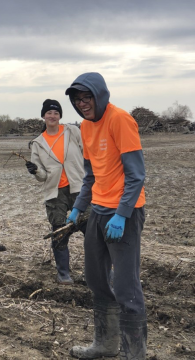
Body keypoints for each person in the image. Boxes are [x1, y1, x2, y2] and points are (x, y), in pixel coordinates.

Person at [65, 72, 146, 359]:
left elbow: (136, 176)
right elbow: (90, 176)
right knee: (96, 279)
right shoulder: (86, 127)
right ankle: (105, 344)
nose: (83, 104)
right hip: (98, 212)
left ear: (99, 94)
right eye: (77, 100)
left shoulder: (120, 119)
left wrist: (122, 214)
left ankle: (133, 353)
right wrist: (77, 208)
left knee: (126, 286)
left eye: (87, 97)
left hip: (124, 212)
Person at [25, 99, 86, 285]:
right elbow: (43, 176)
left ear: (60, 116)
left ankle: (98, 272)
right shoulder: (37, 143)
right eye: (49, 113)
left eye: (56, 113)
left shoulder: (72, 131)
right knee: (59, 232)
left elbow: (86, 152)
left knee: (91, 228)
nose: (52, 116)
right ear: (43, 115)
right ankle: (63, 274)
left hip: (79, 187)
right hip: (55, 192)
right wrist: (35, 170)